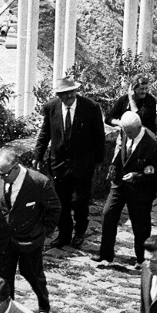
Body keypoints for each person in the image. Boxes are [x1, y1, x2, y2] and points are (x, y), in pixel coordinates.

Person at [0, 146, 60, 313]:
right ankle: (8, 312)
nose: (1, 177)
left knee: (33, 274)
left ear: (16, 166)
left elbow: (54, 209)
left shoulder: (39, 182)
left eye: (5, 174)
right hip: (5, 240)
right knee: (4, 278)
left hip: (30, 241)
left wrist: (42, 232)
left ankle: (43, 301)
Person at [33, 73, 105, 249]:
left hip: (83, 165)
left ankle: (80, 232)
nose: (70, 96)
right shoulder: (51, 108)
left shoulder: (91, 107)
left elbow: (99, 136)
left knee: (80, 202)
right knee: (61, 203)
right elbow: (45, 133)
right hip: (59, 166)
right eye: (65, 93)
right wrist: (38, 156)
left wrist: (98, 161)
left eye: (72, 91)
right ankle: (64, 235)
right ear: (58, 95)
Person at [97, 111, 157, 270]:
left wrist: (138, 176)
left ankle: (142, 259)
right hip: (120, 184)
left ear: (139, 128)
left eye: (129, 132)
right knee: (108, 214)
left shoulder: (153, 144)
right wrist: (114, 166)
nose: (126, 134)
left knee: (140, 225)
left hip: (141, 190)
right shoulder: (127, 131)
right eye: (125, 131)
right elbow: (122, 151)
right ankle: (106, 255)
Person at [107, 73, 157, 139]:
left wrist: (132, 100)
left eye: (146, 88)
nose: (144, 91)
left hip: (146, 139)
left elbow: (138, 120)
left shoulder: (150, 101)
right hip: (126, 137)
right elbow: (108, 118)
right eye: (141, 89)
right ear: (133, 89)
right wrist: (119, 123)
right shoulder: (124, 100)